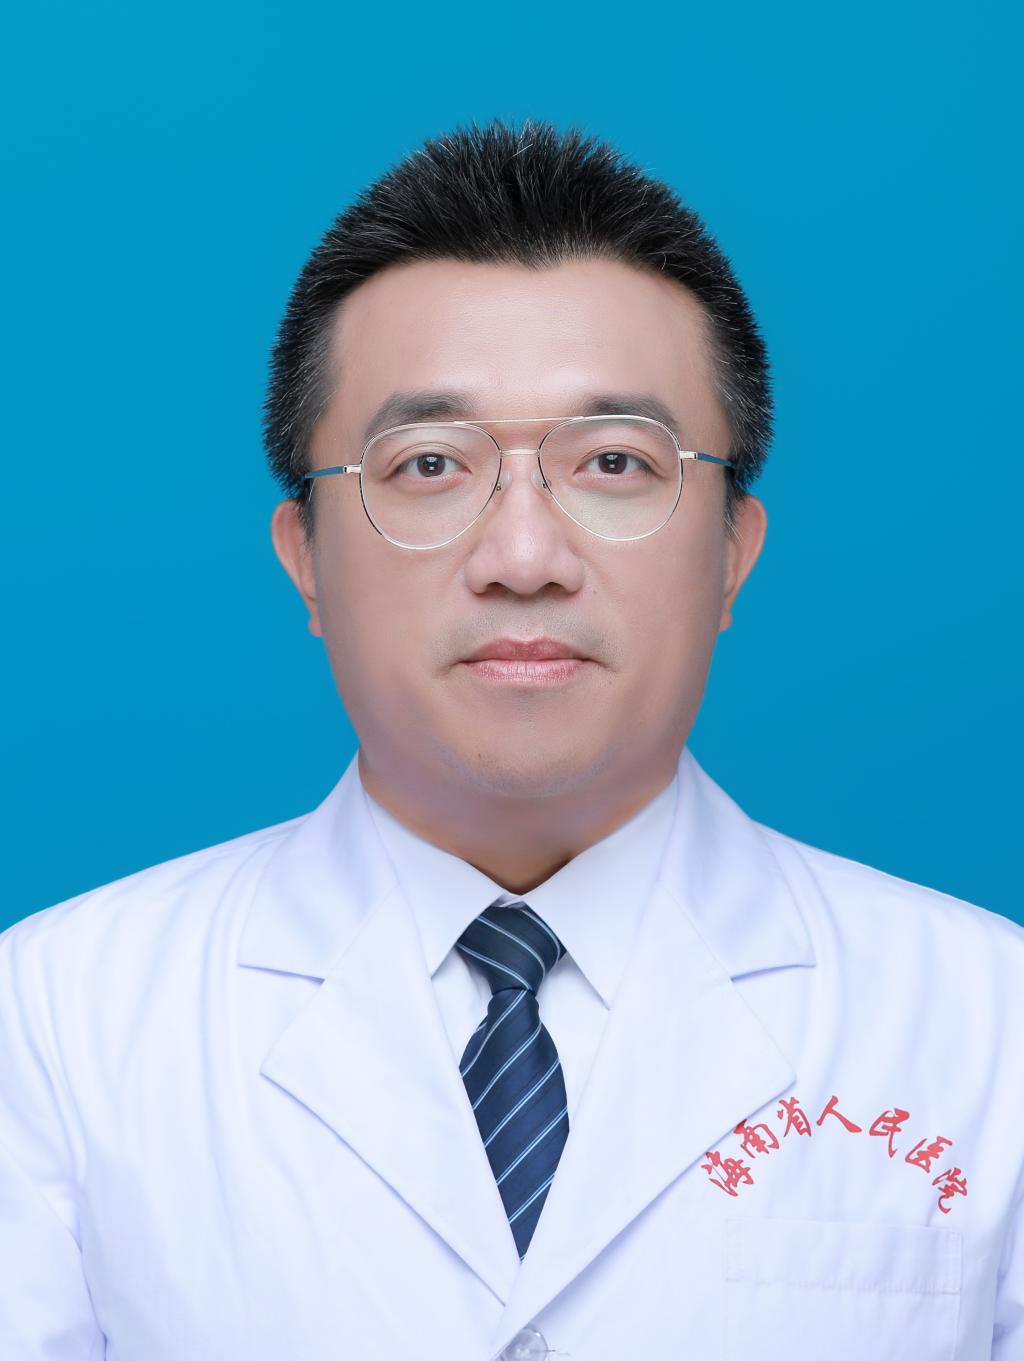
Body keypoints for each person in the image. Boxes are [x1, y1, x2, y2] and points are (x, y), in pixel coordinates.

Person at [1, 118, 1020, 1361]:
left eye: (615, 461)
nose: (524, 557)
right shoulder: (53, 1024)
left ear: (732, 552)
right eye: (429, 463)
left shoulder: (988, 1023)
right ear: (305, 557)